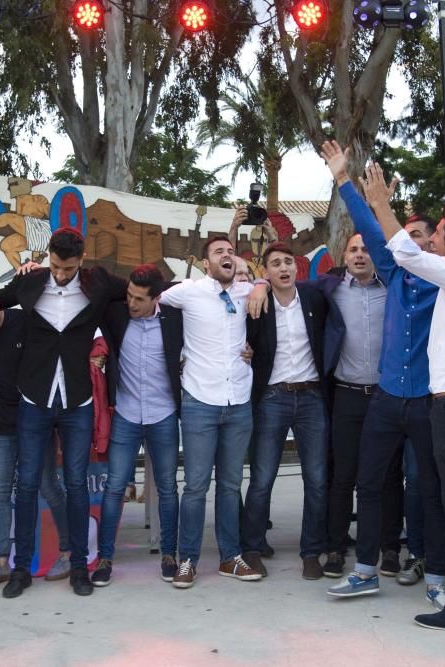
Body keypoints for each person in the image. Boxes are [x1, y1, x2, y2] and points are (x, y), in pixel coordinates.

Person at [320, 142, 445, 610]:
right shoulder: (396, 273)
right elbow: (374, 229)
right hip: (388, 398)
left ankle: (437, 577)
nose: (411, 241)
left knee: (434, 490)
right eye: (407, 235)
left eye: (421, 236)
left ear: (439, 243)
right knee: (370, 483)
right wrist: (343, 179)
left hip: (435, 403)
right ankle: (365, 571)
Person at [0, 228, 128, 598]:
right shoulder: (31, 280)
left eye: (68, 268)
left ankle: (79, 568)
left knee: (76, 483)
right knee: (27, 485)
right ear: (48, 256)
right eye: (56, 265)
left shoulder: (98, 282)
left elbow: (144, 287)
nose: (61, 273)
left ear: (81, 260)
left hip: (78, 400)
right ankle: (20, 569)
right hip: (33, 395)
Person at [159, 218, 261, 588]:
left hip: (239, 401)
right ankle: (187, 560)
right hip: (200, 400)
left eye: (231, 252)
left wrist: (258, 279)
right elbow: (150, 298)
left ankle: (230, 558)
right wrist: (177, 352)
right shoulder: (187, 291)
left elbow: (273, 289)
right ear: (206, 264)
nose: (227, 255)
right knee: (197, 486)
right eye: (219, 252)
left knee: (232, 486)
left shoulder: (248, 290)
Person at [0, 282, 74, 585]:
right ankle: (0, 560)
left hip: (35, 419)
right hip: (0, 422)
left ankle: (69, 551)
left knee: (48, 485)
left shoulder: (22, 321)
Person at [315, 233, 404, 581]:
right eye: (353, 249)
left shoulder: (394, 287)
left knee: (389, 476)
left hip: (386, 395)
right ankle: (336, 548)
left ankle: (390, 547)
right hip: (347, 395)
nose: (360, 255)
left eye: (367, 249)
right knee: (343, 475)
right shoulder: (328, 288)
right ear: (343, 255)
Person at [91, 264, 185, 586]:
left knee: (168, 487)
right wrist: (128, 287)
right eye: (128, 295)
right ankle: (105, 558)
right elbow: (98, 277)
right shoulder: (116, 314)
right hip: (127, 415)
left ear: (157, 298)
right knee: (115, 486)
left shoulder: (174, 318)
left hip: (163, 414)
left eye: (139, 299)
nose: (131, 303)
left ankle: (169, 554)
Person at [240, 242, 329, 580]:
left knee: (317, 479)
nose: (283, 268)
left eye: (288, 261)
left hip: (311, 398)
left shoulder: (314, 297)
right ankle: (252, 545)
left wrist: (260, 282)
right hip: (272, 398)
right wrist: (258, 286)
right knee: (262, 478)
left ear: (297, 267)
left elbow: (338, 279)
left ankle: (311, 551)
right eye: (275, 263)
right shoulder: (257, 303)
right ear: (266, 271)